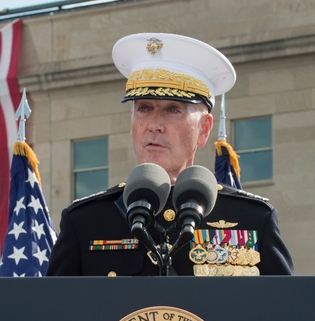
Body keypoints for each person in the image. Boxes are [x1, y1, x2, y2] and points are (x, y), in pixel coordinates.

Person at [46, 32, 294, 277]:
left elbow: (290, 313)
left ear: (204, 129)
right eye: (143, 108)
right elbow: (53, 314)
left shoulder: (251, 219)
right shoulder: (86, 222)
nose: (154, 124)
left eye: (172, 110)